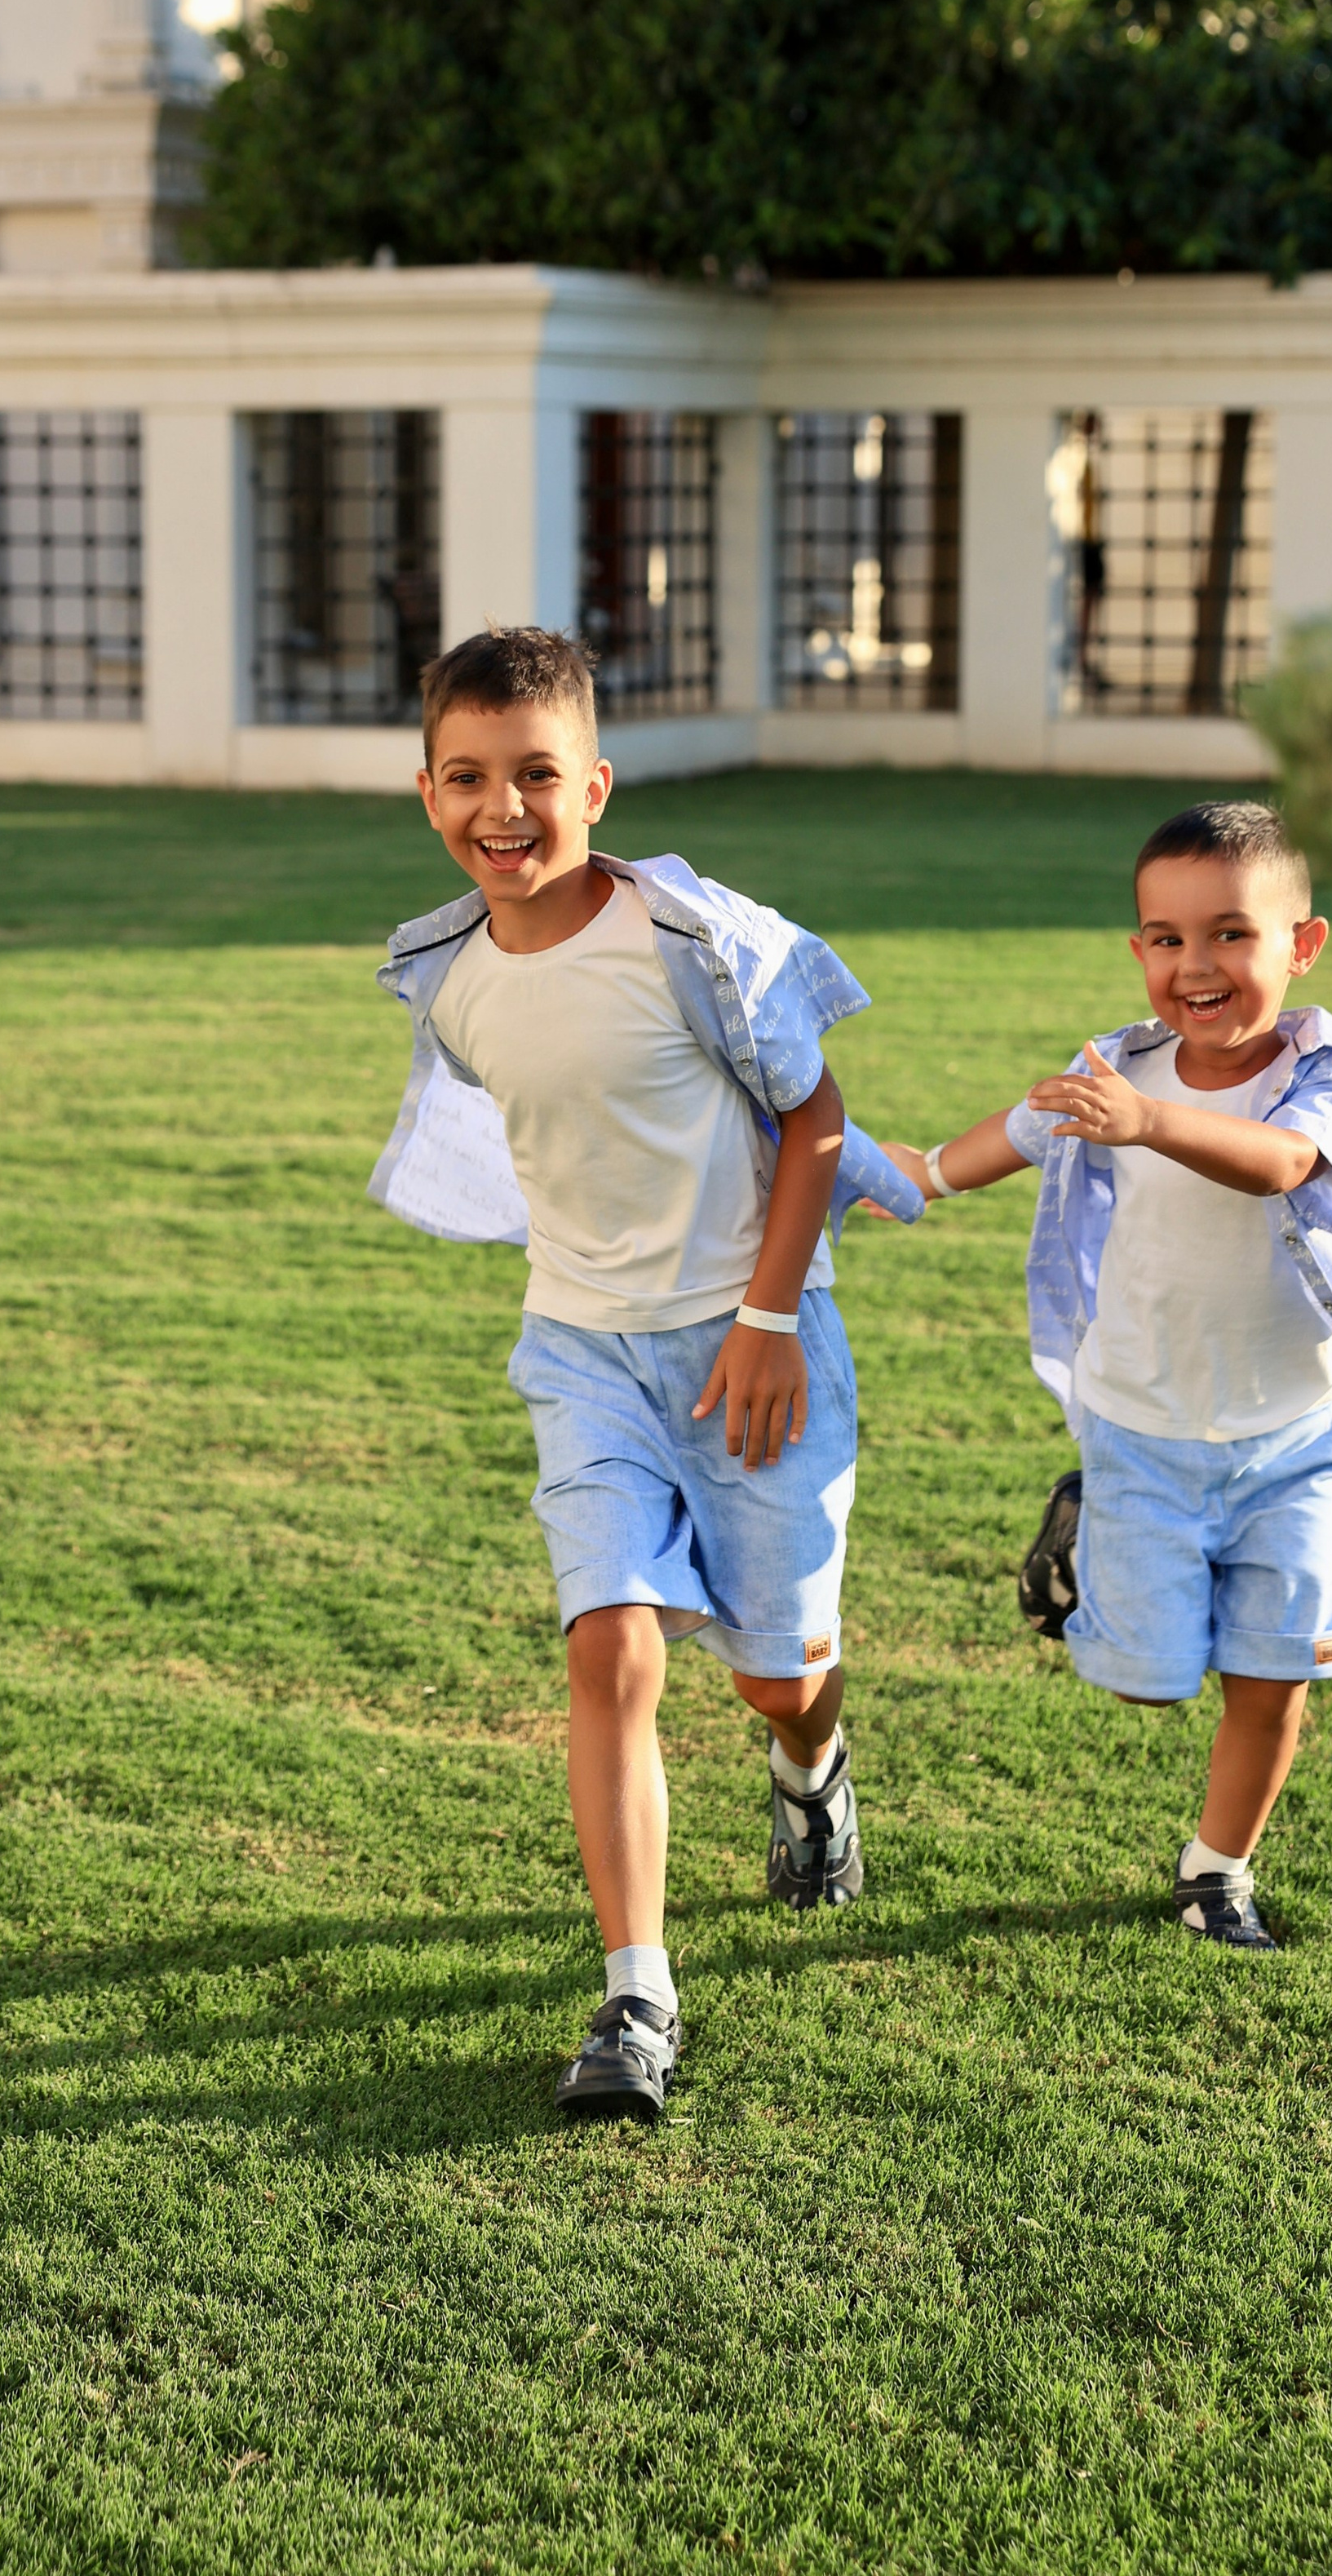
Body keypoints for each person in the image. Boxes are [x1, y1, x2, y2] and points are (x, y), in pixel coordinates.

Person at [372, 626, 923, 2116]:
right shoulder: (450, 979)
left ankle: (814, 1767)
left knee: (773, 1671)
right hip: (581, 1354)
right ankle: (636, 1996)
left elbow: (810, 1123)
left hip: (754, 1346)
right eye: (470, 778)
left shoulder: (692, 944)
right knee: (609, 1647)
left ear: (597, 785)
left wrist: (761, 1320)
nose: (506, 809)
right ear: (428, 791)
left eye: (537, 775)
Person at [880, 799, 1332, 1953]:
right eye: (1165, 937)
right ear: (1140, 949)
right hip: (1141, 1428)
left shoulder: (1329, 1076)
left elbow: (1289, 1165)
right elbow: (1025, 1128)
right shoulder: (1119, 1071)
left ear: (1303, 945)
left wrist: (1149, 1124)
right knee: (1151, 1685)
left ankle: (1218, 1870)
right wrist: (925, 1175)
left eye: (1231, 935)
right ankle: (1093, 1529)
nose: (1195, 965)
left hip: (1289, 1438)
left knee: (1273, 1675)